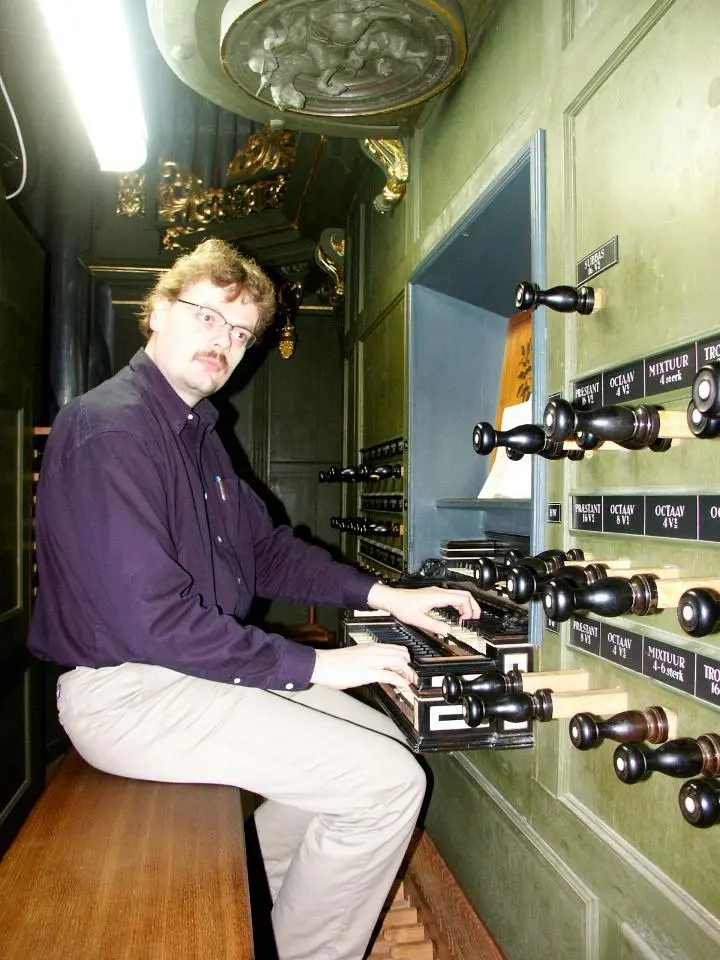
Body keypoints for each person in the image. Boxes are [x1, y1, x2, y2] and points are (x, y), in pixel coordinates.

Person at [28, 237, 480, 960]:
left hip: (183, 673)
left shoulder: (199, 435)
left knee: (384, 745)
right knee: (388, 785)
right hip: (128, 692)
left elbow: (266, 551)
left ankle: (264, 914)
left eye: (242, 334)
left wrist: (388, 595)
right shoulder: (109, 427)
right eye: (209, 318)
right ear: (158, 313)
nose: (225, 343)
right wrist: (320, 668)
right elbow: (154, 621)